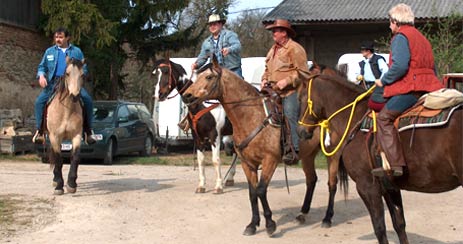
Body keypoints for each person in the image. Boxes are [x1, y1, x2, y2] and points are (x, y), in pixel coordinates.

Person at [371, 3, 443, 177]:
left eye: (390, 21)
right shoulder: (422, 38)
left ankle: (395, 164)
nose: (389, 25)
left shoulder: (401, 37)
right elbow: (432, 67)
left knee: (384, 118)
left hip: (412, 87)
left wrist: (383, 80)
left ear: (396, 21)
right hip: (430, 86)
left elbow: (400, 66)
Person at [33, 27, 96, 144]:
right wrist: (41, 76)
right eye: (56, 37)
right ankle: (40, 131)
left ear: (67, 38)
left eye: (61, 37)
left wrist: (80, 75)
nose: (58, 39)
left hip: (72, 82)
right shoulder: (49, 52)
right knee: (39, 102)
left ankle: (88, 131)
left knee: (87, 100)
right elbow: (42, 67)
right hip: (53, 83)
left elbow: (84, 68)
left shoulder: (77, 51)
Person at [261, 19, 310, 164]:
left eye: (275, 31)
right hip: (271, 90)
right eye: (273, 31)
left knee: (289, 114)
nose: (273, 34)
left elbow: (303, 72)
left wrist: (286, 81)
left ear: (284, 33)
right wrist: (264, 78)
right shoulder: (272, 50)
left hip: (290, 92)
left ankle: (293, 149)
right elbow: (267, 69)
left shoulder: (295, 48)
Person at [356, 41, 389, 112]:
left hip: (376, 86)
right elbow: (359, 74)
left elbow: (385, 70)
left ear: (368, 51)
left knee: (377, 103)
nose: (361, 52)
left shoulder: (378, 59)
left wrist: (381, 81)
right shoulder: (363, 63)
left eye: (363, 50)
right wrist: (359, 76)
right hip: (365, 86)